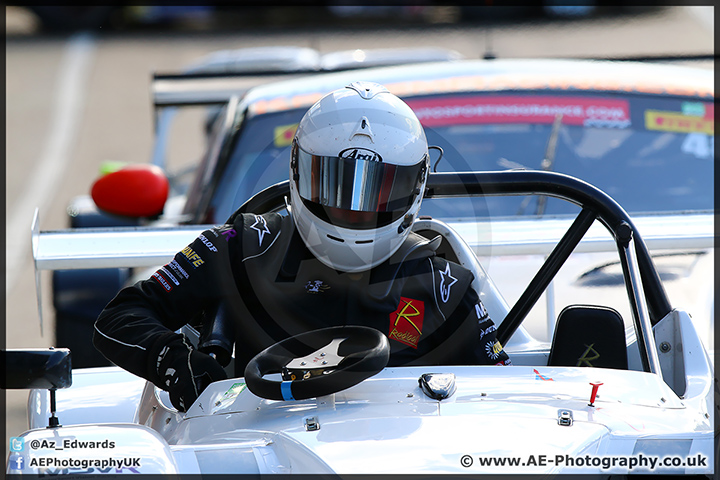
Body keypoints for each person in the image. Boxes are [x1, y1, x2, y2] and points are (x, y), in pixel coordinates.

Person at [93, 81, 510, 412]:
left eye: (375, 193)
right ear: (299, 170)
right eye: (335, 184)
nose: (353, 209)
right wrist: (174, 361)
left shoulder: (444, 285)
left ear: (415, 187)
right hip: (254, 443)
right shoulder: (243, 245)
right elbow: (120, 316)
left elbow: (503, 393)